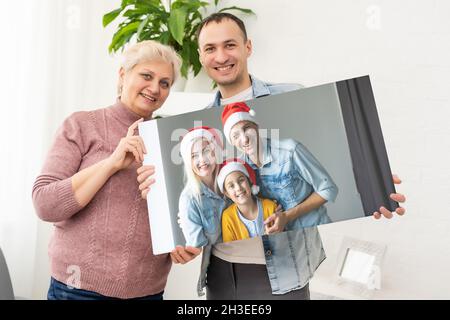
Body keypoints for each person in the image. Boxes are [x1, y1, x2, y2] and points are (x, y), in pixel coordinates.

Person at [137, 13, 406, 299]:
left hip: (287, 270)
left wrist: (376, 186)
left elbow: (328, 175)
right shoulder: (202, 128)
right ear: (202, 58)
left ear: (247, 47)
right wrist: (181, 236)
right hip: (221, 273)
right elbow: (202, 206)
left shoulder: (291, 96)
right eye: (210, 49)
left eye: (230, 45)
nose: (221, 56)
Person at [32, 40, 183, 300]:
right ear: (123, 75)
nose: (155, 88)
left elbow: (180, 216)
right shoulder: (81, 125)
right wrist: (111, 163)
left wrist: (183, 244)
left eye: (165, 83)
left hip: (147, 292)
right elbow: (45, 204)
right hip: (77, 289)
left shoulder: (172, 139)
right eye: (146, 76)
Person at [221, 101, 338, 231]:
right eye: (235, 136)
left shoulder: (290, 151)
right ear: (231, 142)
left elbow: (328, 189)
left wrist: (287, 216)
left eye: (247, 128)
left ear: (257, 126)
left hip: (316, 230)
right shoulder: (240, 170)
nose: (244, 139)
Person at [177, 126, 225, 248]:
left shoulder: (229, 182)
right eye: (194, 156)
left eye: (206, 151)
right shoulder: (189, 199)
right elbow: (199, 250)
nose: (202, 160)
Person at [217, 158, 278, 243]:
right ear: (227, 194)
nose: (238, 188)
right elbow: (230, 250)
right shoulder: (228, 217)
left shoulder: (270, 206)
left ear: (249, 181)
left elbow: (282, 241)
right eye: (231, 186)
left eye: (241, 180)